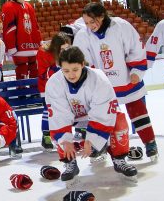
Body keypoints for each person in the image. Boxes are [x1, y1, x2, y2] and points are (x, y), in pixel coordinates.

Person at [74, 2, 159, 161]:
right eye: (86, 22)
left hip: (126, 78)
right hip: (102, 85)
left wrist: (137, 70)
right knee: (102, 116)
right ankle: (100, 146)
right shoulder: (83, 35)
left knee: (137, 111)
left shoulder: (121, 26)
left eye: (92, 21)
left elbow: (136, 48)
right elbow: (83, 61)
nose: (90, 26)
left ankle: (150, 142)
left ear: (102, 16)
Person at [45, 46, 137, 183]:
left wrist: (92, 139)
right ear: (60, 68)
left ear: (82, 64)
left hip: (95, 115)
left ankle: (119, 160)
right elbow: (58, 116)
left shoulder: (98, 78)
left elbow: (103, 111)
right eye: (66, 71)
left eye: (75, 69)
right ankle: (70, 163)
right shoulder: (54, 82)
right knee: (58, 132)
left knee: (119, 119)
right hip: (73, 117)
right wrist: (65, 141)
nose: (71, 75)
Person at [37, 32, 72, 150]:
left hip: (64, 87)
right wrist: (57, 68)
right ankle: (46, 135)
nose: (65, 51)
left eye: (67, 48)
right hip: (46, 87)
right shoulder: (43, 52)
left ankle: (74, 131)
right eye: (62, 49)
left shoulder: (68, 53)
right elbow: (43, 74)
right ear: (56, 48)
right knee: (48, 109)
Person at [1, 0, 42, 79]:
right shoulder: (8, 6)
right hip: (19, 45)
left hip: (32, 43)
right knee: (22, 69)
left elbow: (35, 25)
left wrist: (38, 40)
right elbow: (9, 28)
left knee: (34, 68)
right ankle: (21, 87)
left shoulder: (28, 6)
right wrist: (11, 46)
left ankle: (34, 87)